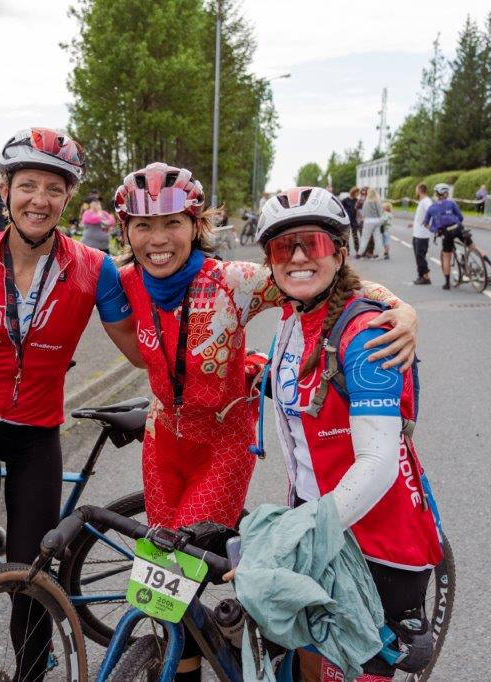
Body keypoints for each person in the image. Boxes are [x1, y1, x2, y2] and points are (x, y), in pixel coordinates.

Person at [114, 174, 417, 680]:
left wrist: (403, 309)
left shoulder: (232, 279)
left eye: (172, 223)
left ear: (196, 226)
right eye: (143, 225)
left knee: (176, 574)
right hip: (161, 440)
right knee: (158, 590)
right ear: (126, 231)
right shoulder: (122, 280)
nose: (158, 239)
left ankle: (236, 634)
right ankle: (184, 660)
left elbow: (328, 281)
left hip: (221, 446)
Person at [0, 127, 143, 681]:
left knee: (32, 572)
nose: (39, 200)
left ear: (68, 198)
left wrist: (210, 340)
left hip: (36, 432)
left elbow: (140, 349)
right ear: (4, 191)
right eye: (27, 185)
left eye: (54, 189)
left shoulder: (94, 268)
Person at [245, 187, 442, 681]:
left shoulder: (368, 334)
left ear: (338, 252)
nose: (297, 257)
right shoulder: (294, 318)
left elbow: (377, 464)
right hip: (317, 513)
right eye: (282, 247)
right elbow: (299, 383)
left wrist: (300, 534)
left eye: (311, 243)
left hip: (375, 536)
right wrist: (255, 372)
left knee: (351, 670)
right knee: (305, 658)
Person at [423, 183, 491, 289]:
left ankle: (447, 283)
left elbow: (426, 223)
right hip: (458, 229)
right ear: (446, 193)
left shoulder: (432, 208)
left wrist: (435, 229)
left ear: (437, 194)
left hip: (446, 233)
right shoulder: (452, 203)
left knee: (447, 257)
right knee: (473, 247)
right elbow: (460, 217)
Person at [408, 183, 433, 285]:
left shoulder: (427, 201)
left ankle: (425, 277)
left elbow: (430, 213)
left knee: (420, 255)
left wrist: (428, 224)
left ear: (419, 190)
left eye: (416, 189)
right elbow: (421, 217)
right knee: (418, 256)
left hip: (423, 234)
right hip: (417, 233)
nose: (415, 191)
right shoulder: (422, 201)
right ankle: (421, 275)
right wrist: (413, 223)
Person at [357, 186, 382, 259]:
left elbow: (363, 213)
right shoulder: (377, 202)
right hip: (377, 220)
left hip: (368, 221)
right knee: (377, 238)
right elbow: (380, 212)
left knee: (365, 238)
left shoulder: (366, 202)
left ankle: (360, 253)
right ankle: (377, 254)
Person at [344, 187, 361, 255]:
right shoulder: (345, 200)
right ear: (354, 192)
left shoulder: (357, 200)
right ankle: (347, 250)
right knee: (346, 236)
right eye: (357, 193)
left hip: (354, 220)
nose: (358, 194)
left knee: (355, 235)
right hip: (347, 220)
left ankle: (357, 250)